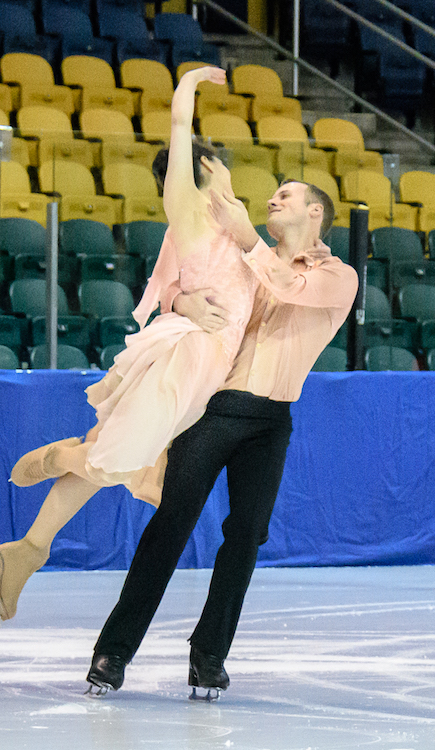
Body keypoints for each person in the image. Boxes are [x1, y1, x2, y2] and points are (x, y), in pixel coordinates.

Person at [0, 66, 260, 624]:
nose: (228, 172)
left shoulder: (236, 230)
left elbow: (209, 289)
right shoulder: (192, 215)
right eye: (217, 164)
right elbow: (179, 128)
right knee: (119, 458)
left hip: (209, 366)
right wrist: (192, 82)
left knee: (120, 455)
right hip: (189, 359)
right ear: (204, 168)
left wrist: (182, 300)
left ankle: (29, 550)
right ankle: (62, 457)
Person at [84, 179, 359, 700]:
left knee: (247, 535)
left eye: (286, 195)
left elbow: (288, 287)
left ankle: (209, 657)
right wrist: (183, 301)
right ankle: (114, 651)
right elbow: (175, 284)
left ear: (316, 212)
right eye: (271, 192)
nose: (273, 198)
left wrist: (248, 238)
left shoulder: (337, 277)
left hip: (271, 420)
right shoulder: (241, 254)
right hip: (214, 410)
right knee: (172, 524)